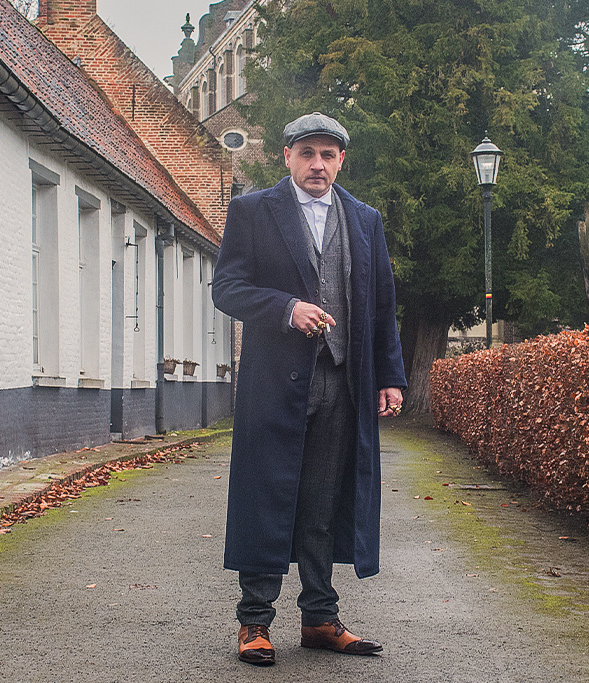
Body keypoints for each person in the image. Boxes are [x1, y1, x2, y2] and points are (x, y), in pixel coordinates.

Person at [211, 112, 406, 666]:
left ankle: (320, 618)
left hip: (342, 380)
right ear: (288, 157)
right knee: (268, 494)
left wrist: (389, 375)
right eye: (307, 153)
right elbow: (226, 288)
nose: (317, 164)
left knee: (323, 502)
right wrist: (285, 308)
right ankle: (254, 623)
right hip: (274, 382)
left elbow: (381, 305)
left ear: (341, 160)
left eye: (327, 155)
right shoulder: (253, 211)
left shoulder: (364, 220)